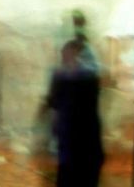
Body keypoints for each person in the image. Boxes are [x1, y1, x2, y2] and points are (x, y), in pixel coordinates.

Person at [43, 30, 105, 187]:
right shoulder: (90, 77)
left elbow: (52, 102)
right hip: (87, 140)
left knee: (68, 174)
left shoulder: (62, 76)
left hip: (71, 139)